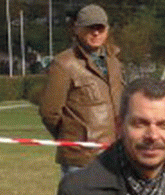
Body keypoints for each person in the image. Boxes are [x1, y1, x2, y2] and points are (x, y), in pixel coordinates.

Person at [39, 4, 124, 177]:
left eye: (100, 28)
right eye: (90, 28)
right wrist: (72, 138)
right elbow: (49, 112)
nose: (96, 33)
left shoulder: (114, 62)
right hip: (80, 160)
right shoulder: (64, 64)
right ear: (77, 29)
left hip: (115, 155)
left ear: (107, 30)